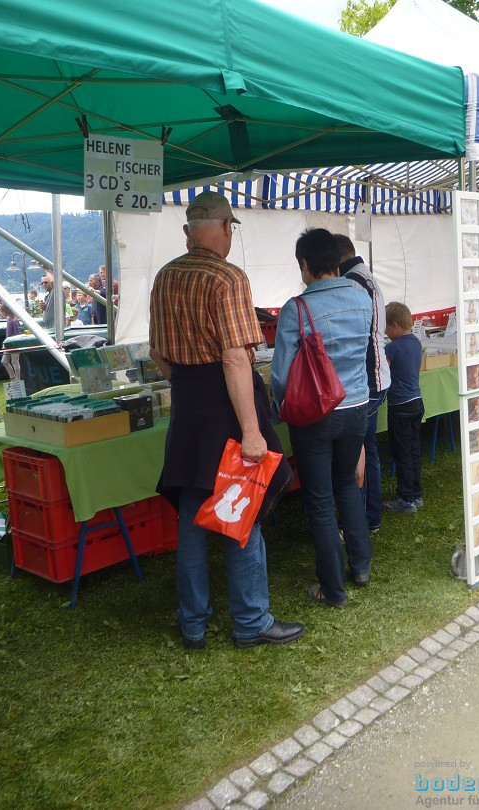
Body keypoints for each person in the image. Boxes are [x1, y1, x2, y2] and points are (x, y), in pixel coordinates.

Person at [149, 190, 304, 650]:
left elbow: (158, 354)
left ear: (187, 232)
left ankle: (193, 624)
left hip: (187, 401)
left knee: (194, 517)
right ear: (223, 229)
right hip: (226, 404)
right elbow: (236, 360)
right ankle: (251, 621)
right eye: (230, 228)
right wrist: (252, 432)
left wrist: (186, 383)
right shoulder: (228, 277)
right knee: (242, 510)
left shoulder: (165, 276)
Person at [272, 228, 373, 608]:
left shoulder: (296, 308)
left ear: (305, 264)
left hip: (316, 414)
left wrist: (280, 406)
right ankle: (361, 567)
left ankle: (333, 589)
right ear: (336, 259)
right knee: (348, 485)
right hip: (357, 407)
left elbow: (281, 374)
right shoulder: (362, 296)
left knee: (319, 499)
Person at [335, 233, 391, 534]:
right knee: (366, 451)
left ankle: (364, 520)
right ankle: (369, 517)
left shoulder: (353, 282)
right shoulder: (363, 277)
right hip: (374, 379)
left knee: (358, 455)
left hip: (366, 382)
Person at [383, 301, 424, 514]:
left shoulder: (392, 347)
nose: (386, 333)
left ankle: (405, 498)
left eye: (387, 328)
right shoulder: (416, 342)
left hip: (399, 405)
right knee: (413, 450)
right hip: (417, 401)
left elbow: (382, 372)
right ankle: (416, 494)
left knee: (402, 453)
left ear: (395, 325)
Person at [0, 300, 21, 381]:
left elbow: (17, 333)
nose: (2, 314)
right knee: (4, 361)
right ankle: (12, 377)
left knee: (15, 362)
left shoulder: (14, 320)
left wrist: (10, 342)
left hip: (14, 344)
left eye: (2, 311)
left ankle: (17, 379)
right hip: (8, 344)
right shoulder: (9, 319)